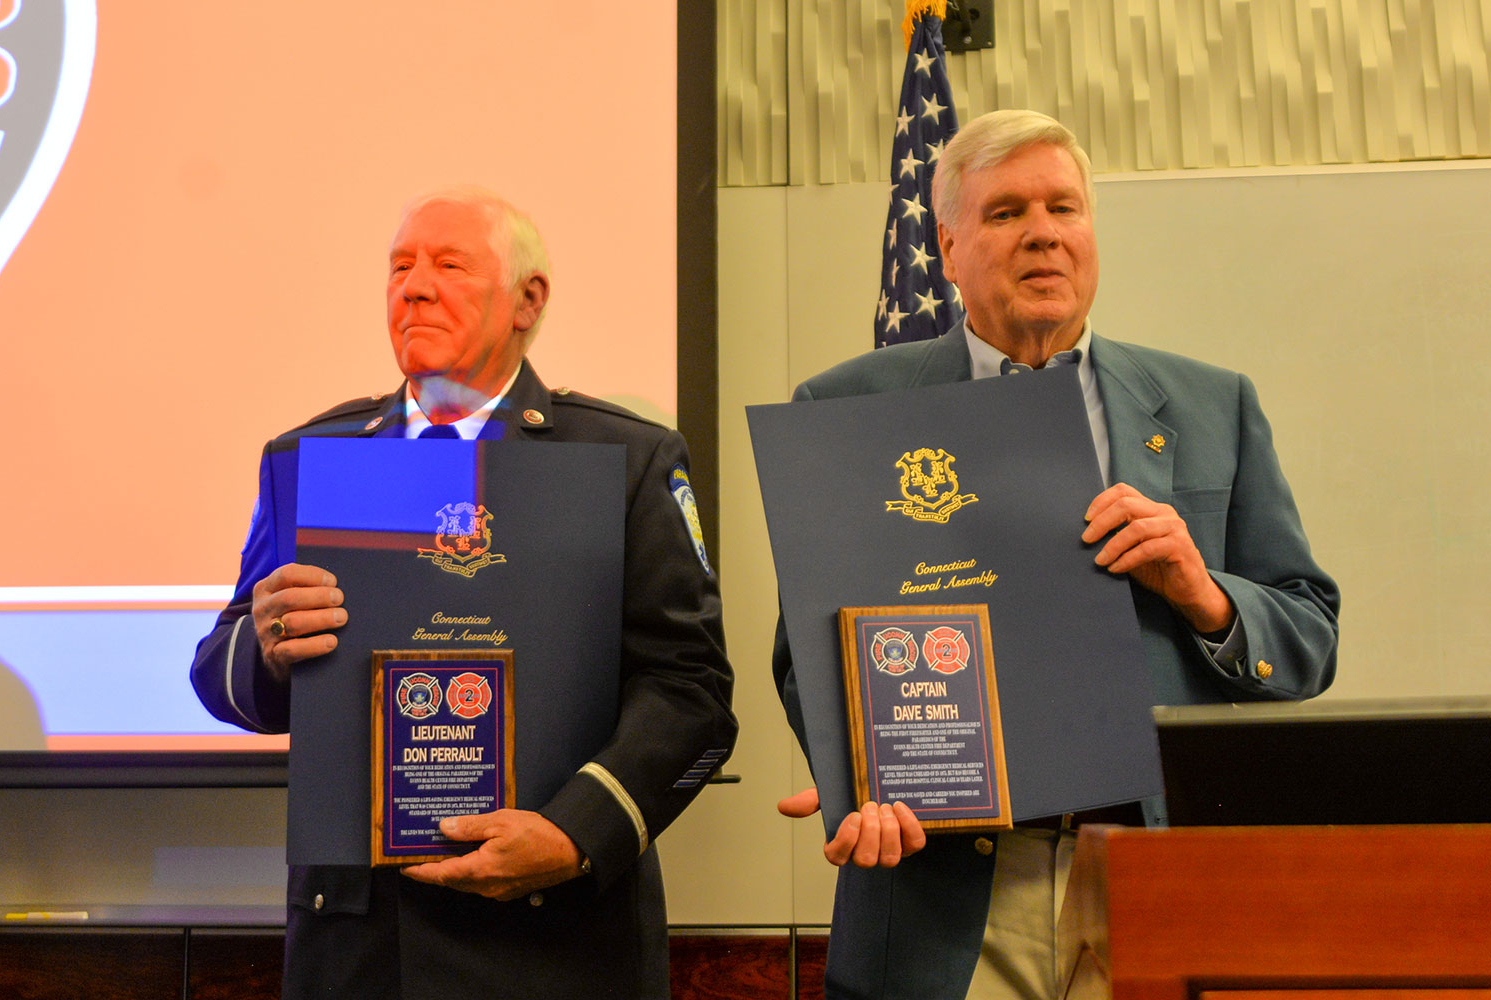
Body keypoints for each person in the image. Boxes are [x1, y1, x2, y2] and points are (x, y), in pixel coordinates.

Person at [773, 110, 1339, 1000]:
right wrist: (851, 778)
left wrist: (1205, 593)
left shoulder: (1211, 405)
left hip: (1155, 879)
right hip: (945, 897)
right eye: (1005, 213)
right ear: (949, 245)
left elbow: (1308, 638)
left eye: (1064, 208)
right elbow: (806, 653)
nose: (1042, 232)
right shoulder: (848, 408)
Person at [191, 188, 736, 1000]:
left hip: (560, 944)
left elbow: (694, 696)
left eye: (448, 265)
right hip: (360, 947)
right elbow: (222, 675)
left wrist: (572, 831)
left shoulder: (623, 458)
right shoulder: (314, 455)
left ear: (529, 299)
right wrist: (264, 645)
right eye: (400, 267)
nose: (412, 286)